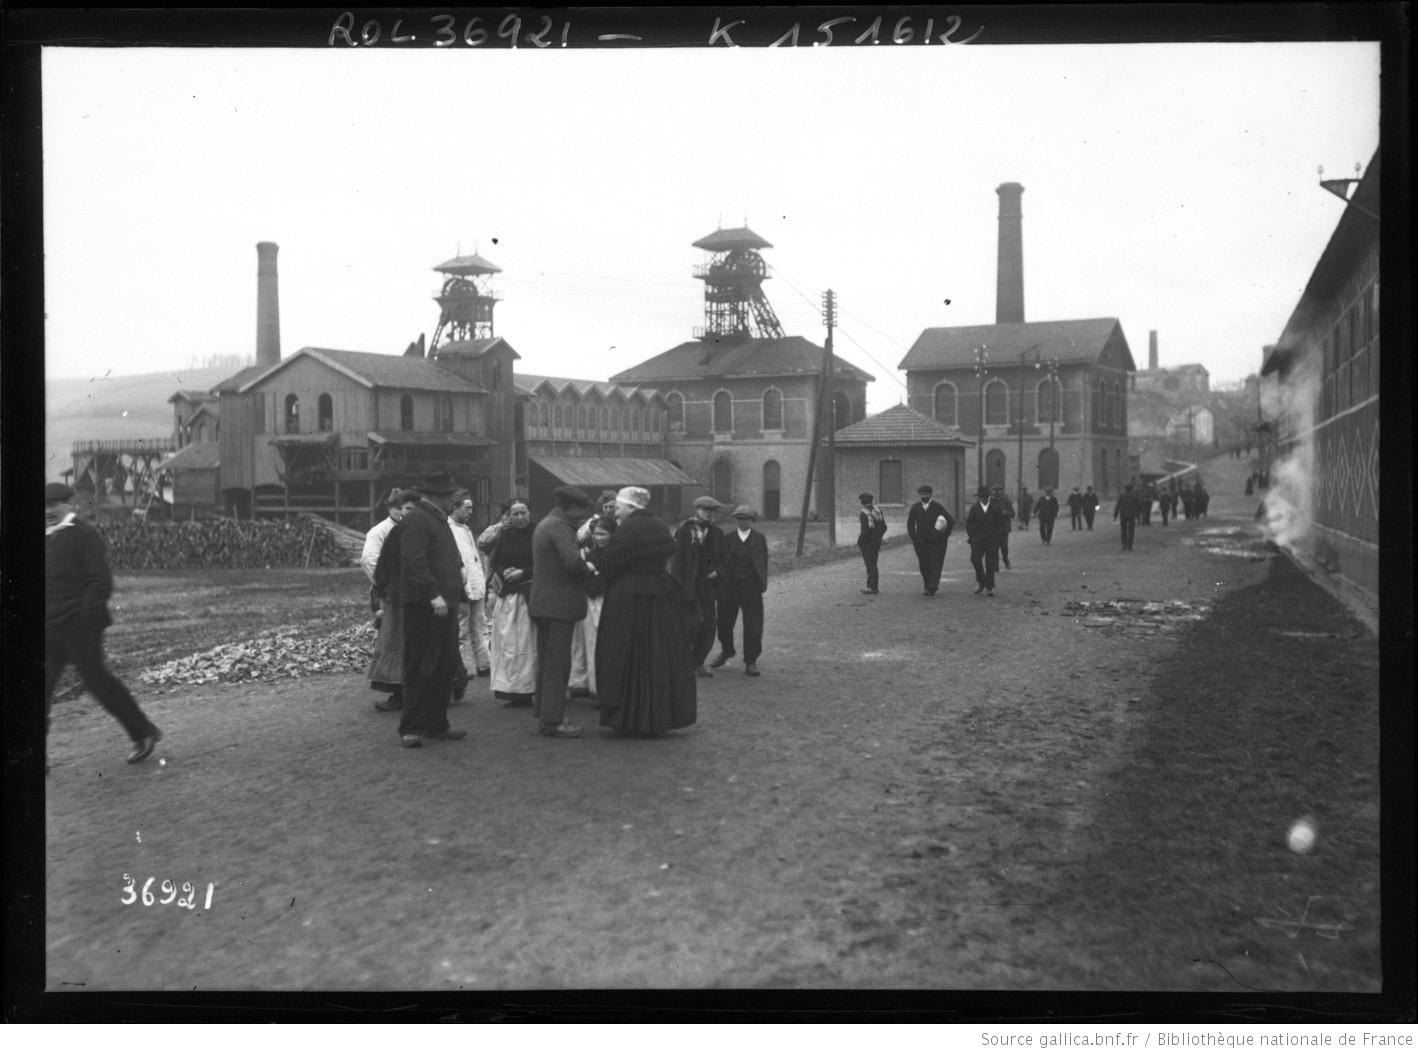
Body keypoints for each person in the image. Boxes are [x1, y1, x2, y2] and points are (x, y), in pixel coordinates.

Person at [45, 482, 163, 765]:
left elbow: (100, 582)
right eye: (45, 506)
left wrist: (84, 619)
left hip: (79, 626)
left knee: (97, 682)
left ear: (70, 505)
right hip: (47, 627)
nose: (49, 511)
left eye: (55, 505)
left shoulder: (85, 535)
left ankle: (143, 733)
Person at [592, 486, 697, 734]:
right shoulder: (659, 525)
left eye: (618, 508)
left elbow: (609, 563)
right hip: (660, 596)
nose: (616, 514)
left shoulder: (627, 529)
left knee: (625, 655)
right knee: (658, 655)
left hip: (628, 597)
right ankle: (659, 716)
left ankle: (630, 717)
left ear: (631, 507)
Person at [397, 475, 468, 748]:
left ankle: (437, 723)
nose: (452, 499)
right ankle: (412, 727)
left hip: (445, 603)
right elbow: (414, 562)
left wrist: (459, 569)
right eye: (449, 495)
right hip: (425, 605)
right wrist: (434, 594)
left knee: (443, 664)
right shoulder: (417, 519)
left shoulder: (438, 519)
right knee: (419, 664)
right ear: (437, 496)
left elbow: (446, 554)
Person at [529, 486, 594, 739]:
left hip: (542, 604)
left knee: (546, 662)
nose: (582, 517)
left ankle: (544, 711)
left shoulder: (546, 523)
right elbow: (572, 563)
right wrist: (589, 565)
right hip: (559, 606)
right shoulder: (560, 527)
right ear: (572, 507)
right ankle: (552, 721)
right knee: (558, 664)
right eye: (581, 511)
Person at [367, 490, 418, 712]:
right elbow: (374, 564)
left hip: (418, 597)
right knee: (395, 643)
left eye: (412, 509)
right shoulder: (386, 533)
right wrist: (384, 590)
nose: (406, 513)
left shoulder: (420, 532)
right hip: (396, 598)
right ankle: (399, 692)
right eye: (405, 509)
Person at [489, 499, 538, 707]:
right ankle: (512, 690)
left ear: (529, 513)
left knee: (527, 644)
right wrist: (505, 571)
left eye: (523, 513)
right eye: (515, 514)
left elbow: (544, 563)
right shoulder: (505, 535)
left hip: (530, 595)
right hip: (509, 596)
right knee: (508, 643)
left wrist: (523, 573)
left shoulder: (537, 533)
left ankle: (529, 688)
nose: (519, 518)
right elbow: (497, 561)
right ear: (508, 516)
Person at [712, 504, 771, 675]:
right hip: (730, 586)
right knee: (723, 622)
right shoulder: (728, 538)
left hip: (751, 587)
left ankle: (751, 661)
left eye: (745, 519)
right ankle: (727, 650)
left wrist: (761, 582)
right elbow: (721, 560)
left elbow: (763, 561)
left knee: (753, 625)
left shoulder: (759, 538)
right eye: (738, 519)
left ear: (752, 521)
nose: (741, 522)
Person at [671, 495, 724, 675]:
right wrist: (677, 586)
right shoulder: (685, 531)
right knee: (690, 625)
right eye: (705, 510)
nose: (708, 514)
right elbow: (676, 561)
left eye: (712, 511)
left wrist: (717, 571)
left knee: (709, 625)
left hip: (707, 586)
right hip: (688, 585)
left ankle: (698, 663)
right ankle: (682, 663)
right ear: (697, 511)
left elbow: (724, 559)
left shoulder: (717, 533)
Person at [569, 514, 616, 700]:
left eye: (603, 534)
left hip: (609, 603)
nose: (599, 538)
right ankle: (592, 685)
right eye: (596, 534)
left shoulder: (615, 554)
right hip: (591, 604)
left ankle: (607, 688)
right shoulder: (592, 554)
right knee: (590, 644)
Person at [449, 489, 491, 684]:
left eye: (471, 508)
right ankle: (459, 668)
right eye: (467, 508)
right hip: (462, 588)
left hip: (477, 584)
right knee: (461, 630)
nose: (471, 512)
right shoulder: (448, 529)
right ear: (455, 508)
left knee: (479, 627)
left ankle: (484, 664)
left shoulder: (466, 529)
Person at [905, 484, 954, 596]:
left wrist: (944, 536)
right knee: (924, 564)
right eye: (922, 494)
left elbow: (950, 521)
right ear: (920, 495)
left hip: (936, 542)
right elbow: (910, 523)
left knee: (935, 563)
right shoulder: (915, 507)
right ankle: (927, 585)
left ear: (931, 494)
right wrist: (914, 537)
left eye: (926, 494)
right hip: (921, 542)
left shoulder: (937, 507)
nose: (924, 496)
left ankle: (933, 586)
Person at [965, 485, 1005, 597]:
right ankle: (981, 581)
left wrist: (997, 537)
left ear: (989, 496)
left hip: (992, 539)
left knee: (990, 563)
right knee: (975, 560)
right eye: (981, 497)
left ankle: (989, 587)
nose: (983, 499)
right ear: (979, 497)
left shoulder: (996, 508)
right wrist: (972, 536)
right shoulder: (974, 508)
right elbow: (968, 524)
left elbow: (1000, 524)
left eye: (985, 496)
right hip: (978, 539)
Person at [855, 492, 888, 594]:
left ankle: (872, 587)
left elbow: (864, 531)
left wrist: (860, 542)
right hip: (876, 542)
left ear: (862, 501)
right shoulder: (878, 511)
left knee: (870, 565)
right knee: (873, 563)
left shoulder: (863, 513)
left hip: (867, 543)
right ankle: (872, 586)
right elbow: (884, 527)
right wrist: (878, 538)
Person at [991, 485, 1016, 569]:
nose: (996, 492)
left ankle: (1006, 560)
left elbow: (1013, 514)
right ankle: (995, 565)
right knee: (994, 547)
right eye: (994, 491)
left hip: (1004, 528)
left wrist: (1006, 513)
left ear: (1001, 492)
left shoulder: (1006, 500)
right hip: (993, 528)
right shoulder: (990, 501)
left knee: (1004, 547)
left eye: (998, 491)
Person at [1113, 482, 1142, 551]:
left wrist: (1115, 516)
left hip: (1123, 515)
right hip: (1132, 515)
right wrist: (1138, 515)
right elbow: (1139, 506)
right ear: (1131, 489)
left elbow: (1118, 506)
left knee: (1123, 530)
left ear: (1125, 489)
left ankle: (1124, 544)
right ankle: (1130, 545)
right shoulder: (1135, 496)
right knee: (1131, 531)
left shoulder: (1122, 496)